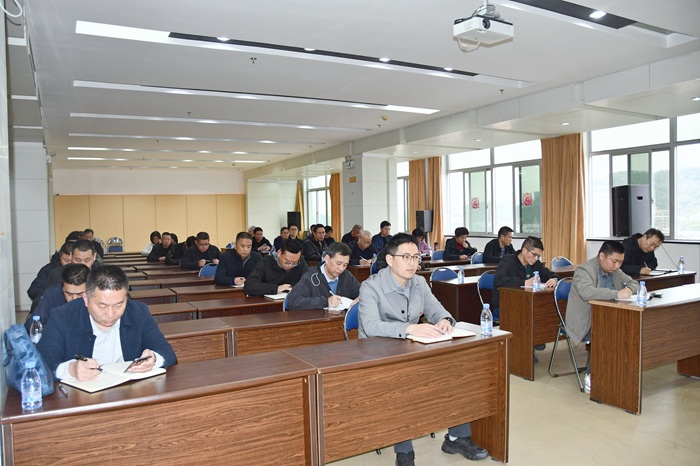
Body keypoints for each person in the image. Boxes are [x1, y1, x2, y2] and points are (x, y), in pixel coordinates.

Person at [359, 233, 488, 465]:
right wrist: (410, 328)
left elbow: (436, 309)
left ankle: (456, 438)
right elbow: (370, 326)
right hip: (378, 354)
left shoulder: (418, 282)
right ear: (390, 260)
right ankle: (404, 452)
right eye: (406, 257)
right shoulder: (370, 286)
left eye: (416, 257)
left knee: (459, 373)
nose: (412, 263)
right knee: (403, 386)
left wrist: (445, 320)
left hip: (411, 348)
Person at [37, 265, 177, 381]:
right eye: (102, 306)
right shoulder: (62, 317)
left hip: (128, 394)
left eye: (118, 305)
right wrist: (71, 369)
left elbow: (167, 353)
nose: (110, 314)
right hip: (82, 399)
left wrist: (154, 359)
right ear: (86, 299)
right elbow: (42, 365)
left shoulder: (138, 312)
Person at [566, 240, 639, 393]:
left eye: (621, 262)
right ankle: (592, 376)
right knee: (607, 333)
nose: (617, 266)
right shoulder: (584, 270)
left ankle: (619, 374)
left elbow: (634, 283)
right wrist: (617, 293)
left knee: (632, 330)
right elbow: (586, 292)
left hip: (611, 318)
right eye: (614, 261)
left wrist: (630, 290)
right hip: (586, 321)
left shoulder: (615, 270)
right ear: (602, 256)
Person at [493, 236, 559, 321]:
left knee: (545, 312)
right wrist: (523, 283)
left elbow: (549, 274)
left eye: (538, 256)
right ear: (524, 250)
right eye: (534, 255)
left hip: (527, 303)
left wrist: (554, 279)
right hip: (506, 305)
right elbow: (498, 280)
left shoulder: (536, 264)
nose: (536, 259)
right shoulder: (507, 261)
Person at [286, 242, 360, 311]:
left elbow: (361, 292)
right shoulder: (310, 276)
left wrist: (360, 298)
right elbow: (293, 302)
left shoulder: (346, 276)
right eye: (338, 263)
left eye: (345, 265)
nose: (341, 268)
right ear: (327, 259)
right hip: (317, 320)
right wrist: (326, 302)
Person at [24, 263, 89, 333]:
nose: (74, 298)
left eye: (80, 294)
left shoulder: (96, 298)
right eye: (69, 294)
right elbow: (32, 325)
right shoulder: (53, 294)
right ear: (62, 288)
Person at [243, 240, 309, 296]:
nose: (290, 266)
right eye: (287, 262)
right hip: (268, 304)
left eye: (295, 263)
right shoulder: (265, 263)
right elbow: (249, 287)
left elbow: (309, 284)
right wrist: (276, 288)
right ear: (279, 253)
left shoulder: (301, 263)